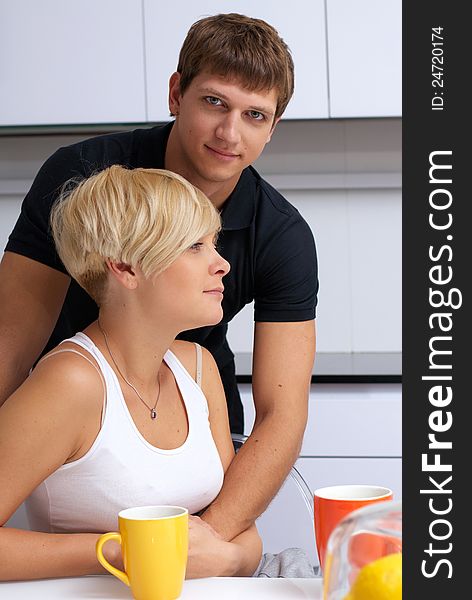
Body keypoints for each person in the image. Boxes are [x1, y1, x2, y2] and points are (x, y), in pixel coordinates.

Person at [0, 13, 318, 543]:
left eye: (255, 115)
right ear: (177, 93)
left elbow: (283, 414)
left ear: (273, 128)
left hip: (190, 411)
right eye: (214, 101)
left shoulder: (279, 238)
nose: (229, 133)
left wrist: (210, 540)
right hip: (71, 418)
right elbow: (9, 349)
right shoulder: (83, 179)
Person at [0, 166, 263, 580]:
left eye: (213, 243)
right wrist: (125, 550)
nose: (222, 264)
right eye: (194, 246)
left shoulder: (198, 367)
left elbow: (244, 537)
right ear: (125, 268)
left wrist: (228, 559)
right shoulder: (70, 383)